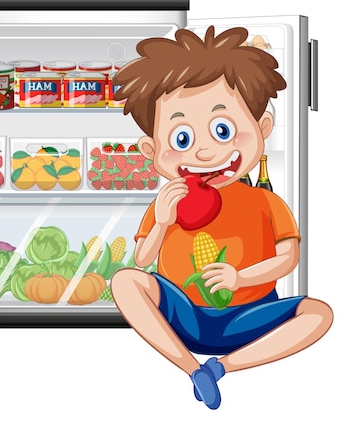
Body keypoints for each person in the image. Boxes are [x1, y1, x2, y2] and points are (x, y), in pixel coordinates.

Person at [110, 26, 333, 410]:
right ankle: (190, 368)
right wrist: (162, 222)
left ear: (262, 129)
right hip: (185, 316)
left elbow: (288, 258)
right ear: (152, 149)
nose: (206, 152)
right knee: (125, 281)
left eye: (223, 129)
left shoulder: (263, 201)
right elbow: (143, 261)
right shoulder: (169, 200)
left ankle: (219, 368)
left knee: (319, 313)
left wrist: (241, 277)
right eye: (182, 139)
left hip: (249, 316)